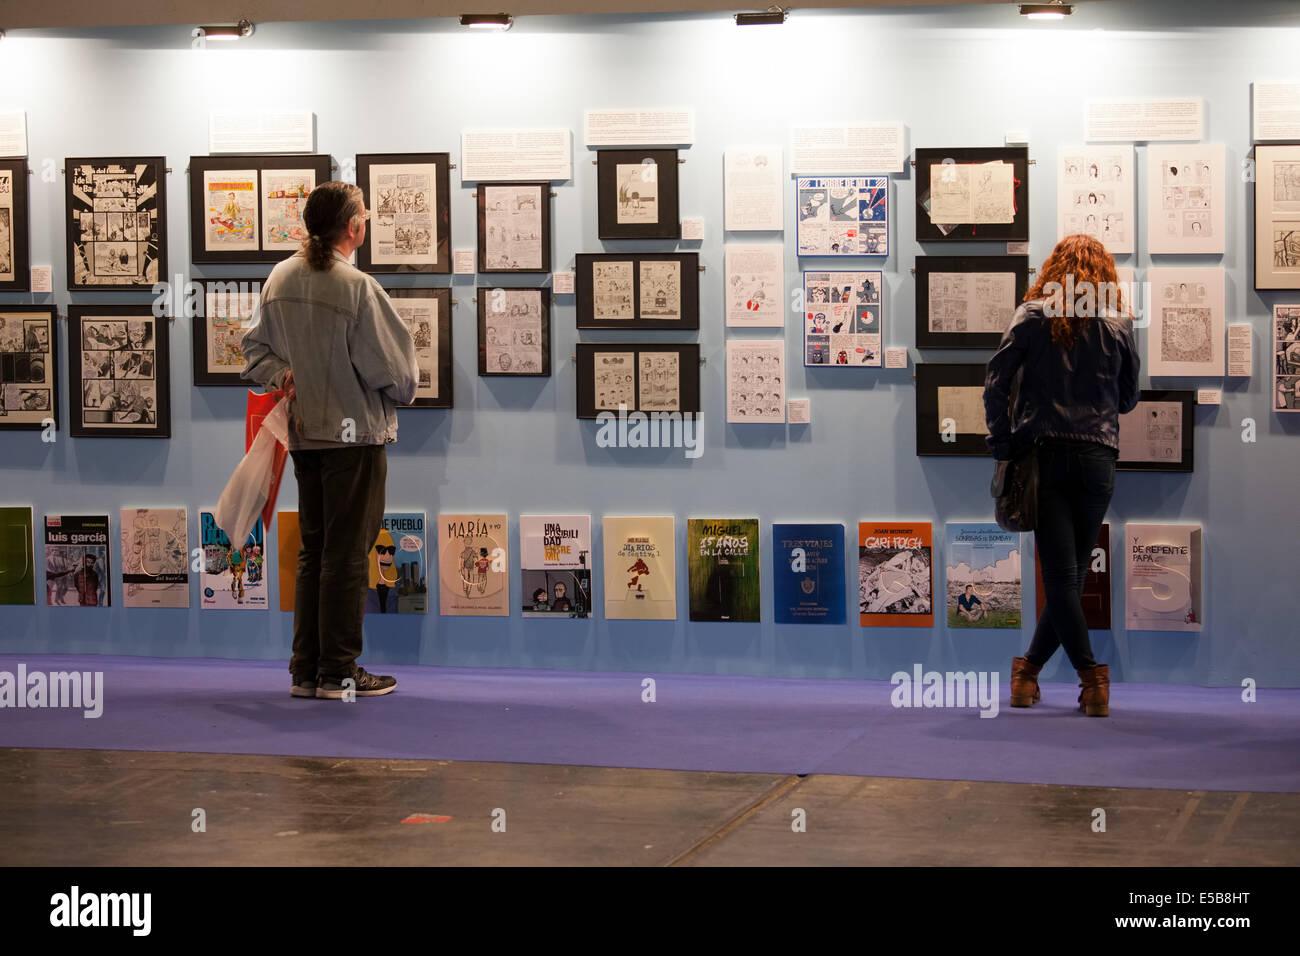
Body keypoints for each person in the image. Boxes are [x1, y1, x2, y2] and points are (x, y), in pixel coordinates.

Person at [241, 181, 419, 701]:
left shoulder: (280, 277)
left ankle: (306, 670)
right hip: (355, 438)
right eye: (363, 214)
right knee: (345, 554)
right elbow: (399, 377)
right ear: (353, 226)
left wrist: (283, 375)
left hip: (304, 437)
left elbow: (253, 351)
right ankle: (340, 671)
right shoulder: (357, 287)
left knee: (314, 550)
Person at [984, 233, 1140, 717]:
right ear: (1105, 275)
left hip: (1043, 456)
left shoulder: (1032, 316)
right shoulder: (1118, 321)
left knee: (1061, 577)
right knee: (1068, 574)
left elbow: (995, 384)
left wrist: (1002, 443)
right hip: (1098, 458)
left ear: (1052, 270)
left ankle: (1092, 679)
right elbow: (1129, 398)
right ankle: (1027, 674)